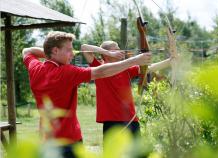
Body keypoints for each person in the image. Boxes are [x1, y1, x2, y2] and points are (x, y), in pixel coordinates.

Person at [22, 31, 151, 158]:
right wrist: (134, 60)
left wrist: (50, 54)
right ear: (55, 50)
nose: (72, 54)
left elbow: (27, 51)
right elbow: (100, 72)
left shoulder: (35, 68)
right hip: (69, 141)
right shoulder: (66, 72)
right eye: (68, 50)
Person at [82, 41, 175, 139]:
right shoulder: (98, 68)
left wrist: (169, 61)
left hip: (131, 120)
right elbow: (84, 47)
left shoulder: (125, 68)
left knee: (138, 154)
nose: (120, 51)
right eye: (116, 49)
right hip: (111, 122)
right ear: (106, 53)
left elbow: (149, 69)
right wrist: (110, 53)